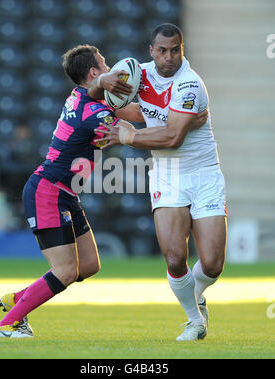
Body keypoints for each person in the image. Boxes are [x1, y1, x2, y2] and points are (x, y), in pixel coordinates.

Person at [92, 23, 227, 341]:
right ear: (151, 51)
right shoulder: (138, 74)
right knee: (174, 257)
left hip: (204, 173)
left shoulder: (190, 84)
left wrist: (128, 136)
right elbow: (127, 107)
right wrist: (102, 86)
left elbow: (173, 137)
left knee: (212, 264)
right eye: (162, 50)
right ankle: (195, 319)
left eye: (175, 49)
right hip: (167, 174)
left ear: (183, 49)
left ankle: (199, 292)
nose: (169, 57)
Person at [0, 44, 133, 338]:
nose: (108, 68)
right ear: (94, 72)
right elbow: (131, 131)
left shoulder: (80, 97)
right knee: (66, 271)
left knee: (89, 265)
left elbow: (126, 109)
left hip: (64, 194)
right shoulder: (93, 113)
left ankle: (19, 298)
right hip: (48, 192)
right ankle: (8, 324)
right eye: (104, 65)